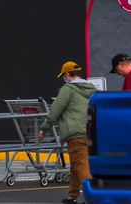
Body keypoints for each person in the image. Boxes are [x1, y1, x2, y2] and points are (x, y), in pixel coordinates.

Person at [39, 61, 96, 204]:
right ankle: (72, 195)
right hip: (92, 132)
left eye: (64, 75)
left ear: (67, 74)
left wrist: (44, 128)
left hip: (76, 133)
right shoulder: (92, 89)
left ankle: (93, 198)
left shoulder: (67, 89)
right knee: (77, 165)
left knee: (81, 166)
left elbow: (55, 110)